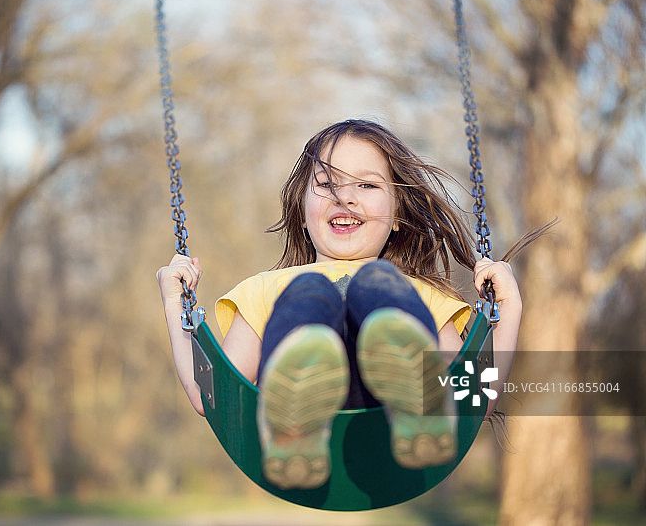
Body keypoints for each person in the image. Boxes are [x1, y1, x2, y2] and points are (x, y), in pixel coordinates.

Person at [157, 119, 521, 490]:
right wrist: (175, 303)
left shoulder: (421, 296)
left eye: (366, 184)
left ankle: (416, 397)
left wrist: (507, 310)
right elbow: (215, 395)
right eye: (327, 184)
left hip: (387, 430)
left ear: (397, 214)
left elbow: (472, 398)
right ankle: (299, 409)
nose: (344, 197)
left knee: (378, 281)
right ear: (301, 210)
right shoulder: (263, 290)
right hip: (307, 440)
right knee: (309, 288)